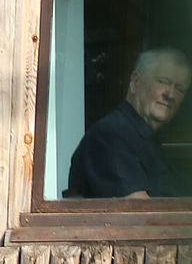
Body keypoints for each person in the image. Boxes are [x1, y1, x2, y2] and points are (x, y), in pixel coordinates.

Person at [66, 47, 188, 199]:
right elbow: (140, 212)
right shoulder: (110, 135)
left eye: (180, 89)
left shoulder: (154, 142)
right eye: (163, 81)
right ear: (136, 82)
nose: (170, 94)